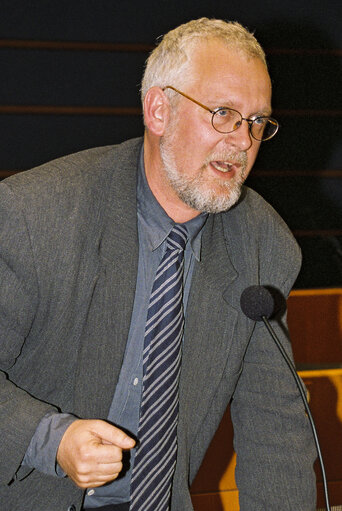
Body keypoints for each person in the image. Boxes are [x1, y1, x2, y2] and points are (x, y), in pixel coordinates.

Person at [0, 17, 316, 511]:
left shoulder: (263, 243)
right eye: (224, 114)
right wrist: (50, 439)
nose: (243, 141)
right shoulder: (35, 216)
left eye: (257, 122)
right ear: (158, 110)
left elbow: (274, 426)